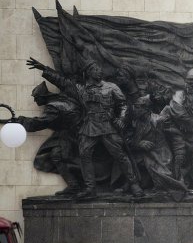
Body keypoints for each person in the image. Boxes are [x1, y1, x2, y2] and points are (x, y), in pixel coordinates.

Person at [26, 57, 143, 199]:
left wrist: (121, 119)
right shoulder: (81, 90)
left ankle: (134, 184)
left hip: (108, 126)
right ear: (88, 73)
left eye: (99, 68)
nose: (99, 71)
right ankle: (90, 188)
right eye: (95, 69)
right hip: (89, 128)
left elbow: (122, 104)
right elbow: (62, 82)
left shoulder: (111, 87)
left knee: (120, 155)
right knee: (85, 156)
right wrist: (44, 69)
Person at [14, 82, 82, 195]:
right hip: (74, 133)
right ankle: (75, 184)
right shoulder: (62, 99)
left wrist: (23, 121)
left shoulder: (52, 107)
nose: (36, 101)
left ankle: (75, 184)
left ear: (43, 96)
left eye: (36, 98)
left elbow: (42, 123)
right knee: (59, 156)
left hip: (70, 135)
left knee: (58, 156)